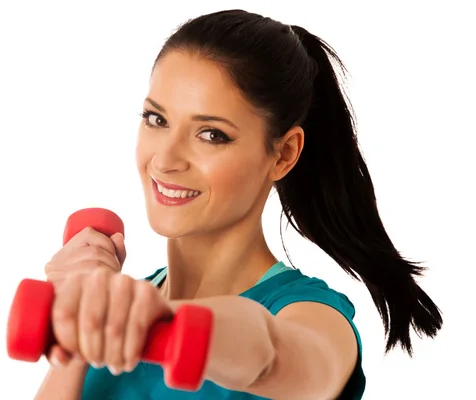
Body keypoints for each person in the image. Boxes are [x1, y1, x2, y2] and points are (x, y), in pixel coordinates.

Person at [34, 9, 443, 400]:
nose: (165, 160)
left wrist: (168, 326)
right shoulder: (114, 311)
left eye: (211, 134)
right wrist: (73, 329)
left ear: (283, 154)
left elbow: (268, 351)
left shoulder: (314, 318)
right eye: (156, 120)